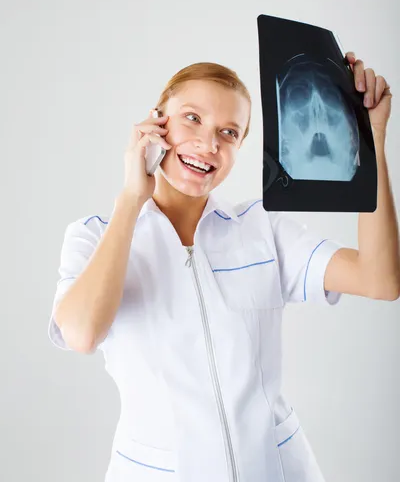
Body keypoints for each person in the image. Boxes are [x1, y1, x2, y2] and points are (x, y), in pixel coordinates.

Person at [48, 57, 398, 482]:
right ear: (157, 123)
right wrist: (130, 199)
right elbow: (81, 334)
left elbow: (379, 280)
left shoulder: (261, 231)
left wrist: (371, 139)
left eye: (228, 133)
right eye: (192, 118)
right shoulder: (95, 237)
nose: (208, 144)